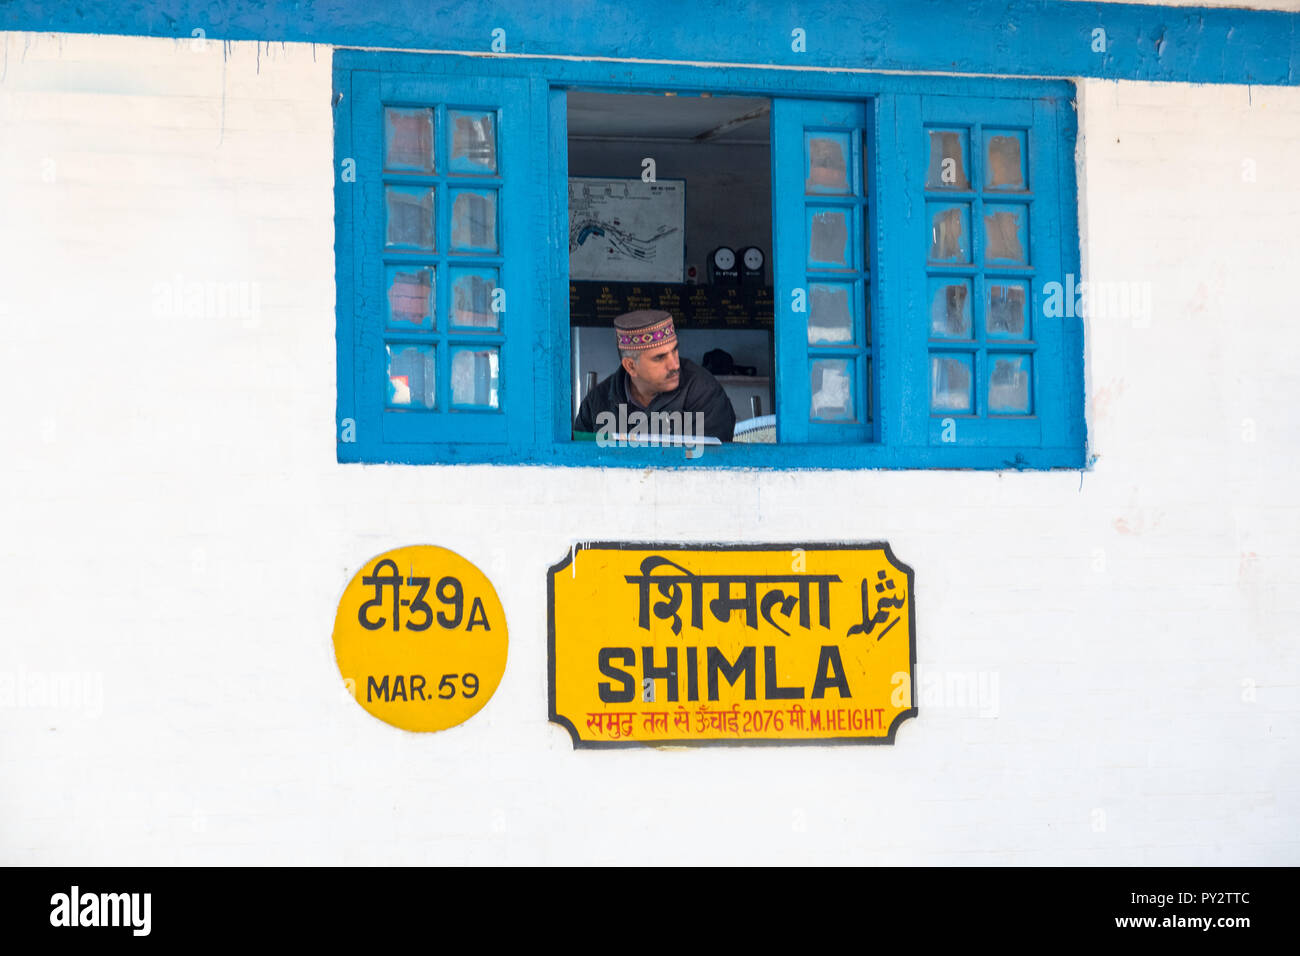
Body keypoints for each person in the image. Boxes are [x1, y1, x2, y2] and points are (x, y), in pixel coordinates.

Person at [573, 310, 736, 443]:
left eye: (675, 351)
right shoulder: (597, 403)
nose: (675, 365)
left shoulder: (704, 393)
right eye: (660, 357)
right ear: (631, 366)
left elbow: (713, 468)